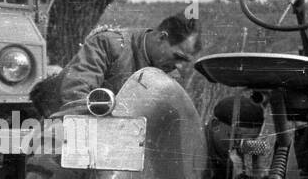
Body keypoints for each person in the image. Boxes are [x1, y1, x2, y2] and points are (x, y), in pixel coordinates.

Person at [47, 14, 202, 112]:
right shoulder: (109, 44)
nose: (180, 67)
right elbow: (75, 94)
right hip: (60, 131)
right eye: (178, 57)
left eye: (185, 61)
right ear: (161, 37)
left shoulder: (169, 74)